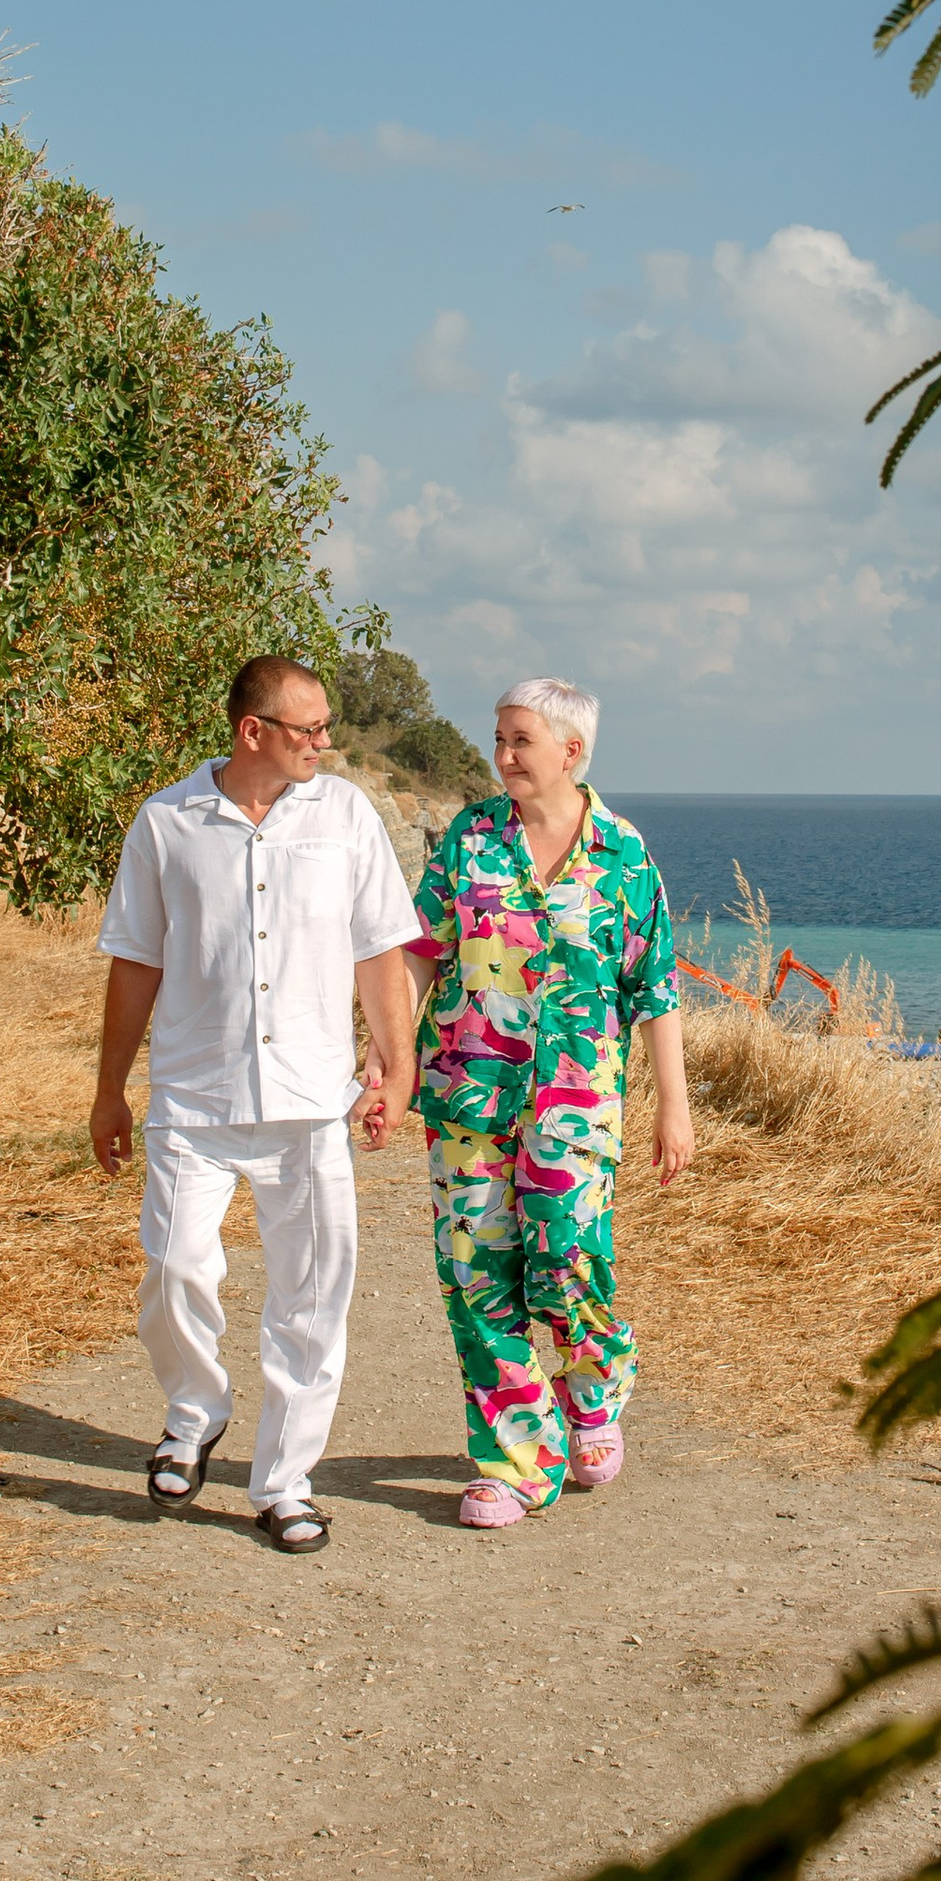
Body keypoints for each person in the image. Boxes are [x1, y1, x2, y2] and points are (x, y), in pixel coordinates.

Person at [91, 655, 419, 1556]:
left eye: (325, 727)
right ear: (253, 733)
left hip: (311, 1101)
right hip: (195, 1097)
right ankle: (195, 1414)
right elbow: (136, 960)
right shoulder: (167, 822)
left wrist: (396, 1068)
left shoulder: (347, 813)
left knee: (312, 1299)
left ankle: (284, 1481)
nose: (325, 742)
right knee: (175, 1269)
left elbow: (381, 950)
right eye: (308, 728)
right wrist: (110, 1087)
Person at [405, 675, 693, 1526]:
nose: (501, 757)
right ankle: (515, 1461)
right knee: (476, 1276)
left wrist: (673, 1107)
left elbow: (655, 987)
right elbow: (422, 947)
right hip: (466, 1094)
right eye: (498, 739)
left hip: (576, 1104)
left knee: (568, 1262)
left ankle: (595, 1386)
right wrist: (386, 1056)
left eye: (519, 741)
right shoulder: (471, 837)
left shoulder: (624, 856)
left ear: (571, 751)